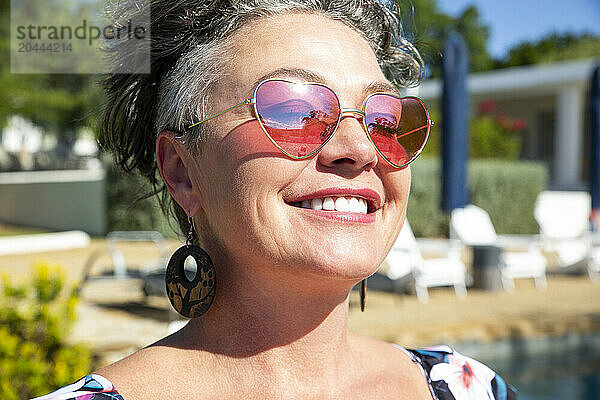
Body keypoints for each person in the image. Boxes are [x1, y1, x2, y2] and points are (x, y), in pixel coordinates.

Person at [35, 1, 516, 399]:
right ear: (182, 170)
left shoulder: (468, 387)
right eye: (295, 109)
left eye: (385, 118)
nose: (360, 149)